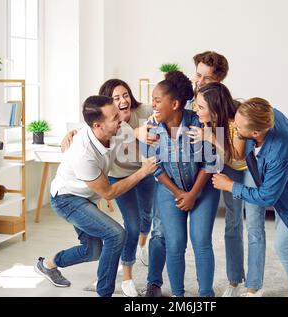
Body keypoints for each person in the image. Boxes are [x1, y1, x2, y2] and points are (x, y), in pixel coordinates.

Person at [35, 95, 157, 297]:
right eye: (114, 117)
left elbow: (138, 148)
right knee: (116, 234)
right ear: (98, 125)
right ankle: (104, 294)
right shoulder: (83, 153)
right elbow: (108, 192)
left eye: (118, 113)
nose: (120, 119)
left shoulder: (118, 127)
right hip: (66, 199)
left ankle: (47, 264)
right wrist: (143, 172)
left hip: (86, 198)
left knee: (94, 251)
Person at [212, 97, 288, 297]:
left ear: (255, 133)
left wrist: (231, 186)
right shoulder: (266, 114)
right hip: (282, 180)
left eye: (239, 128)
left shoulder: (280, 151)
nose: (236, 130)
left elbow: (266, 197)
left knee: (283, 244)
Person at [145, 71, 220, 297]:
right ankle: (178, 296)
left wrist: (193, 194)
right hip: (169, 191)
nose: (153, 105)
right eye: (153, 100)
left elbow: (211, 163)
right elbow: (155, 166)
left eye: (158, 101)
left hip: (203, 188)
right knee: (175, 244)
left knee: (201, 241)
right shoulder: (150, 127)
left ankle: (206, 295)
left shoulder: (199, 122)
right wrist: (179, 192)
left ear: (175, 104)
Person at [188, 82, 266, 297]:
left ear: (215, 109)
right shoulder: (207, 120)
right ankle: (234, 280)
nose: (196, 109)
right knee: (232, 224)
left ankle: (253, 286)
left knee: (254, 227)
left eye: (201, 107)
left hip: (251, 169)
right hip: (229, 168)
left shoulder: (237, 120)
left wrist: (210, 137)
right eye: (196, 105)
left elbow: (239, 157)